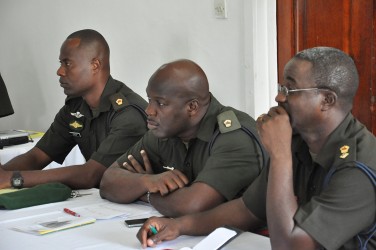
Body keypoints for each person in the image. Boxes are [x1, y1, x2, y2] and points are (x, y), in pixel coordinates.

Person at [136, 47, 376, 250]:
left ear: (327, 100)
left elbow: (290, 245)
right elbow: (248, 209)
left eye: (289, 90)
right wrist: (180, 226)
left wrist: (280, 154)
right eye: (281, 88)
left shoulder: (359, 167)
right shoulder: (297, 140)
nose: (278, 98)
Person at [100, 59, 265, 217]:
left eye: (161, 103)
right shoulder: (164, 131)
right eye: (150, 100)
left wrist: (147, 193)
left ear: (192, 107)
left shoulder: (234, 137)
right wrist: (147, 181)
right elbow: (108, 182)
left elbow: (192, 206)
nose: (149, 110)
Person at [0, 29, 148, 190]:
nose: (60, 71)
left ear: (95, 65)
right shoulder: (75, 106)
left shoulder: (127, 114)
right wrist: (4, 173)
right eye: (60, 63)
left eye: (67, 63)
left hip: (137, 204)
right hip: (101, 200)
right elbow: (37, 156)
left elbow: (90, 175)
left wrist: (13, 179)